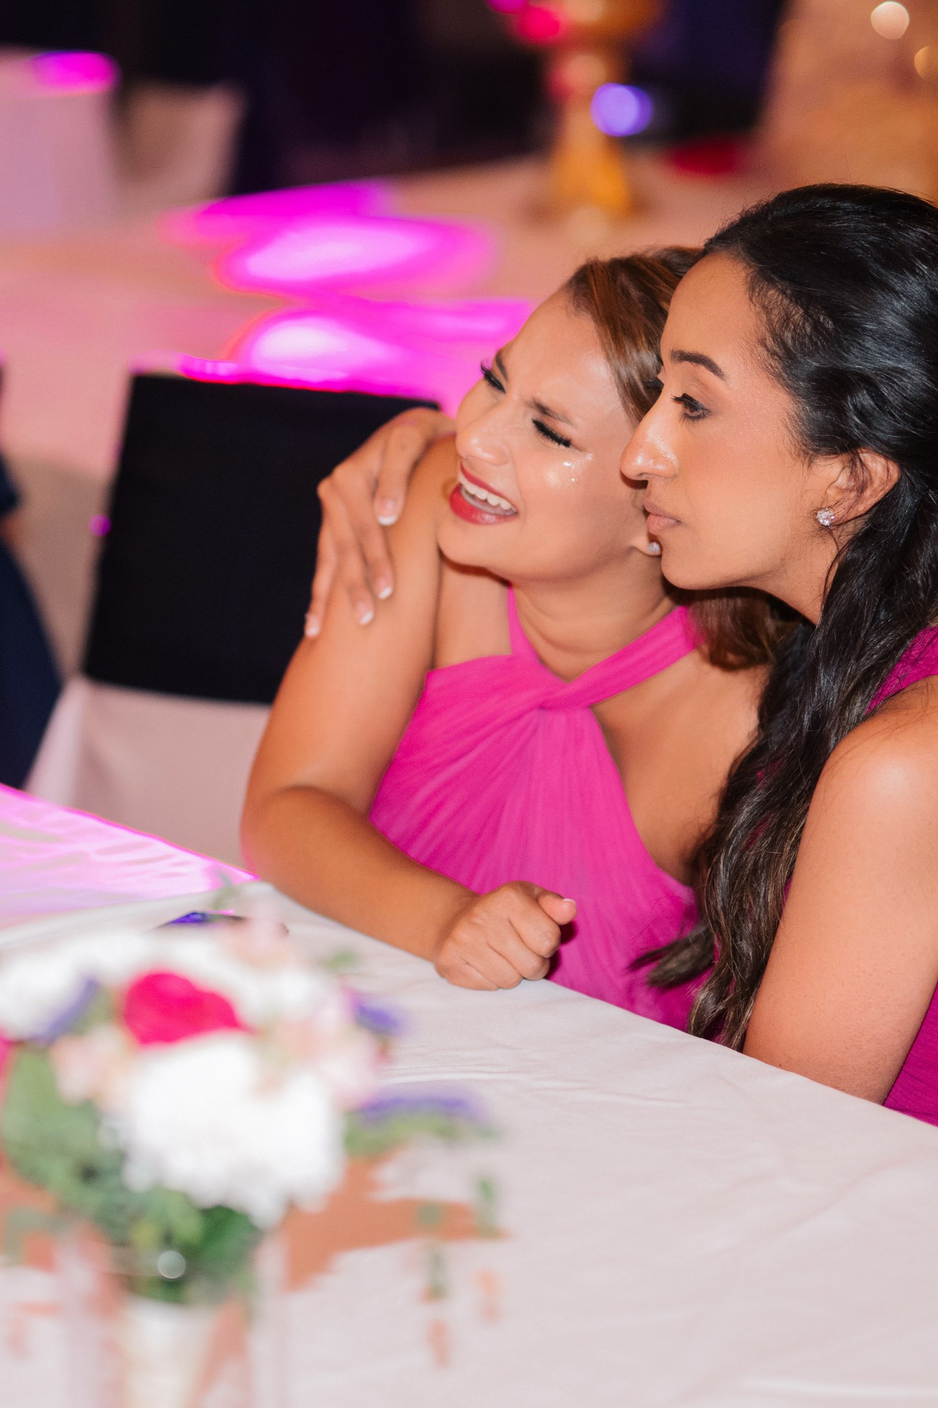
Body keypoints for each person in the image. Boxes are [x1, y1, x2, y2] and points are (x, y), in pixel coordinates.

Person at [310, 186, 938, 1224]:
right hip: (911, 1228)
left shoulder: (918, 757)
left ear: (849, 478)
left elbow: (771, 1154)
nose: (641, 452)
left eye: (693, 405)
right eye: (658, 395)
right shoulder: (892, 631)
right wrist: (428, 442)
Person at [244, 251, 780, 1024]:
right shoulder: (428, 507)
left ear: (661, 509)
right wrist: (443, 920)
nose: (476, 438)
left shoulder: (736, 720)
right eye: (494, 380)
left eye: (549, 432)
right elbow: (288, 807)